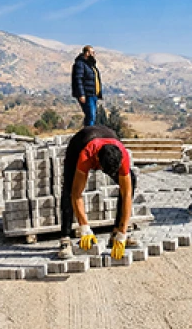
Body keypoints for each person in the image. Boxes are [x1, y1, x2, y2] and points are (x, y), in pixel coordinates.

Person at [57, 125, 136, 260]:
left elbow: (127, 193)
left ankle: (116, 233)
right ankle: (65, 239)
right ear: (98, 161)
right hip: (78, 145)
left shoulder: (122, 155)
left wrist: (123, 233)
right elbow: (77, 195)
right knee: (69, 189)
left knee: (131, 182)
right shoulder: (86, 155)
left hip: (108, 138)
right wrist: (84, 228)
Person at [71, 45, 103, 127]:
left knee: (92, 116)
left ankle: (89, 132)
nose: (94, 54)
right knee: (90, 115)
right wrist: (81, 94)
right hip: (87, 94)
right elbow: (78, 79)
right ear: (87, 53)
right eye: (92, 52)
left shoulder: (91, 65)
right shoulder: (80, 64)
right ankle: (89, 134)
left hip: (93, 94)